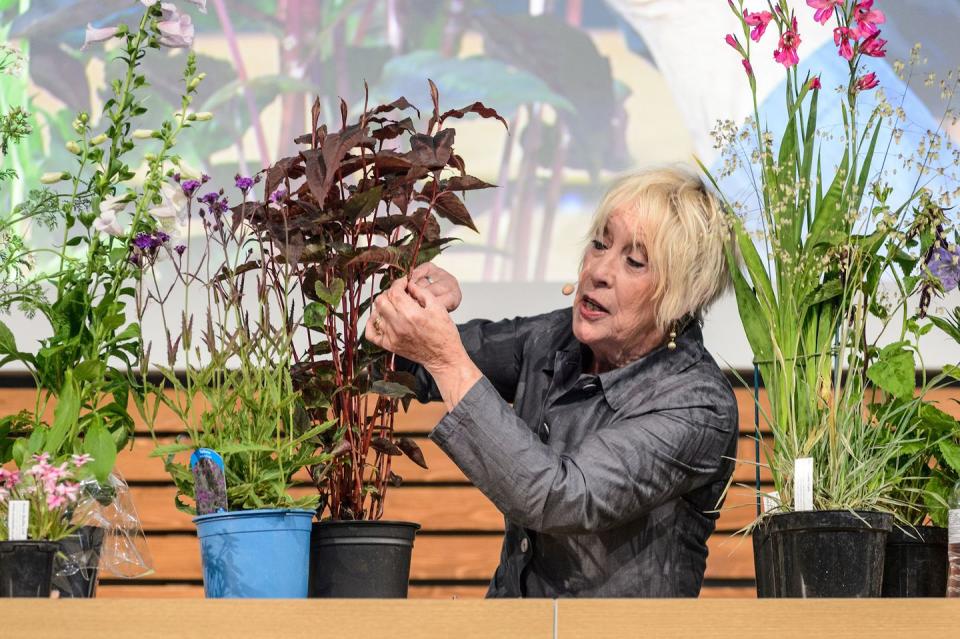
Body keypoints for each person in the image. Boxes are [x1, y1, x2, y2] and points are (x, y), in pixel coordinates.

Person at [365, 166, 739, 597]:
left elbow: (560, 498)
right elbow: (395, 362)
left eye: (634, 261)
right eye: (600, 243)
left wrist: (446, 359)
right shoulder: (552, 339)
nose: (599, 270)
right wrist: (415, 301)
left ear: (681, 296)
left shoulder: (698, 405)